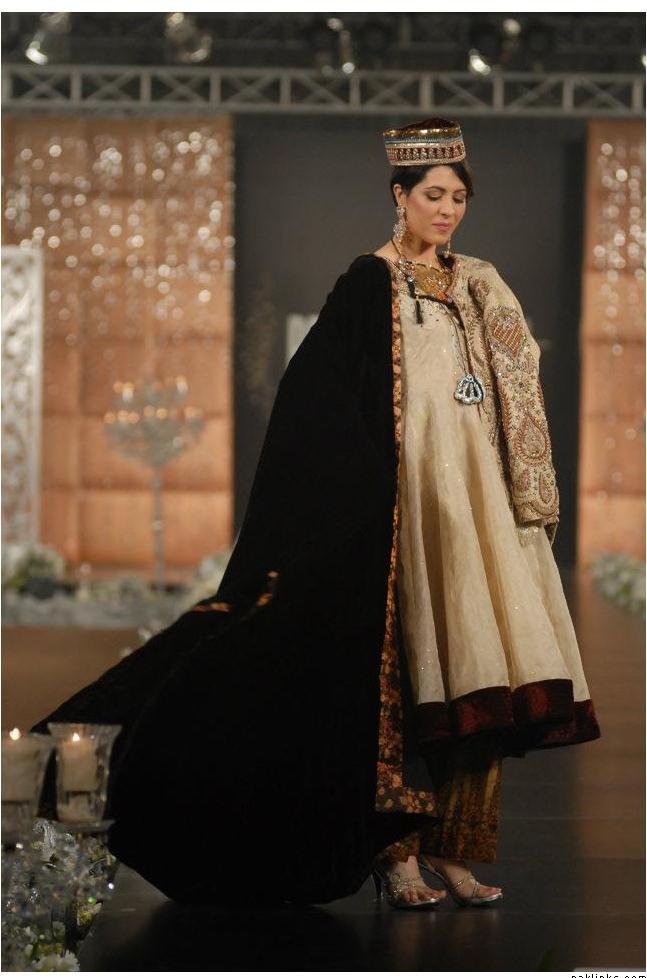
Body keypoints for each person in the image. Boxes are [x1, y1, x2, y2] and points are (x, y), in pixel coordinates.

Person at [32, 117, 601, 909]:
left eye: (458, 198)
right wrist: (355, 488)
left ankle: (456, 850)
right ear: (399, 196)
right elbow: (316, 401)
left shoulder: (480, 283)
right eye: (433, 195)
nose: (446, 210)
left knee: (481, 682)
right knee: (406, 681)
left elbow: (514, 380)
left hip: (480, 512)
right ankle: (395, 857)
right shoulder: (370, 284)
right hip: (406, 512)